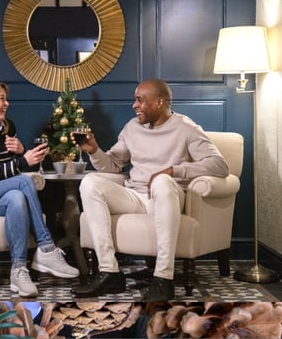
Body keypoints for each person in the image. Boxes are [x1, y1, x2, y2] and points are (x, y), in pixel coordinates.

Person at [71, 79, 229, 301]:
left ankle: (164, 278)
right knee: (90, 182)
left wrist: (175, 171)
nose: (134, 105)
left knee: (162, 182)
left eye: (140, 100)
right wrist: (94, 150)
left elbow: (220, 166)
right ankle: (109, 273)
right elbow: (113, 164)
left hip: (165, 198)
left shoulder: (186, 128)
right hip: (135, 196)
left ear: (160, 102)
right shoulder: (132, 128)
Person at [0, 80, 79, 297]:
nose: (7, 103)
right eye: (1, 98)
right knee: (23, 181)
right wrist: (23, 161)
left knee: (17, 198)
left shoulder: (7, 128)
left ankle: (18, 271)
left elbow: (5, 171)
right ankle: (46, 248)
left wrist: (21, 151)